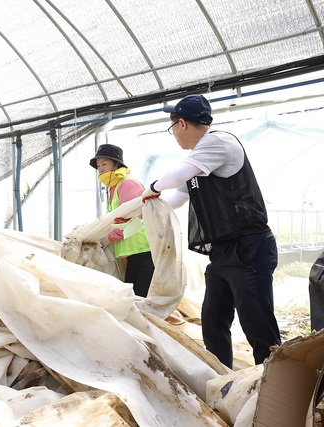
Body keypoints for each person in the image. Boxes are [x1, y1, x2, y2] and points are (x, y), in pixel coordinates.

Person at [141, 94, 281, 368]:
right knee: (213, 321)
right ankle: (222, 379)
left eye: (172, 129)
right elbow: (178, 198)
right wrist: (143, 214)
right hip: (222, 254)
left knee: (258, 325)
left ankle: (275, 390)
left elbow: (176, 177)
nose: (174, 136)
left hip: (248, 249)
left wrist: (154, 186)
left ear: (182, 124)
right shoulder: (200, 159)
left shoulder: (218, 143)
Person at [90, 144, 155, 297]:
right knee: (131, 299)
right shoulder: (114, 187)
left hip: (145, 251)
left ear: (117, 164)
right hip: (134, 254)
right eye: (98, 166)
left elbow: (127, 218)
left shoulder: (128, 184)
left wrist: (107, 238)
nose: (101, 169)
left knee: (139, 300)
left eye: (104, 164)